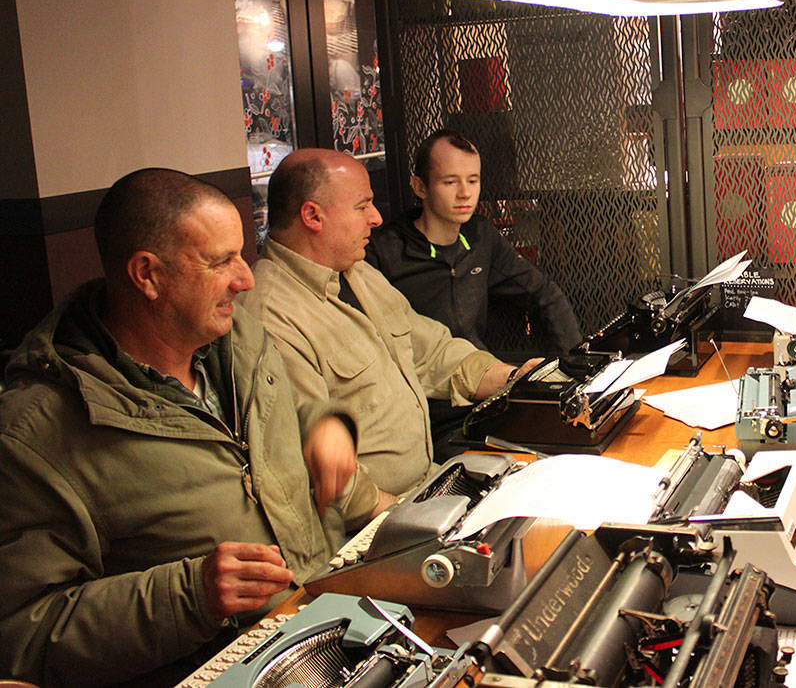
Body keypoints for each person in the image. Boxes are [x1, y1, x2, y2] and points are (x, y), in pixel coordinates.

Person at [0, 169, 371, 687]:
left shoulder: (236, 336)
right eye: (222, 262)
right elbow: (21, 633)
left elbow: (260, 433)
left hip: (326, 628)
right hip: (222, 668)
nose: (246, 279)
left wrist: (325, 426)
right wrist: (190, 595)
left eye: (242, 254)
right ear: (147, 275)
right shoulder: (36, 431)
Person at [243, 148, 529, 500]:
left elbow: (433, 352)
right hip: (375, 520)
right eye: (362, 206)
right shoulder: (271, 315)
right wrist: (403, 517)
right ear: (312, 216)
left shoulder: (357, 271)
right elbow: (317, 466)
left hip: (430, 482)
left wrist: (520, 379)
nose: (376, 218)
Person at [366, 130, 582, 357]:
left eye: (472, 180)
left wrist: (575, 364)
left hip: (482, 372)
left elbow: (543, 292)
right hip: (420, 383)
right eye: (450, 182)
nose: (465, 193)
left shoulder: (480, 236)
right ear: (420, 187)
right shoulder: (384, 251)